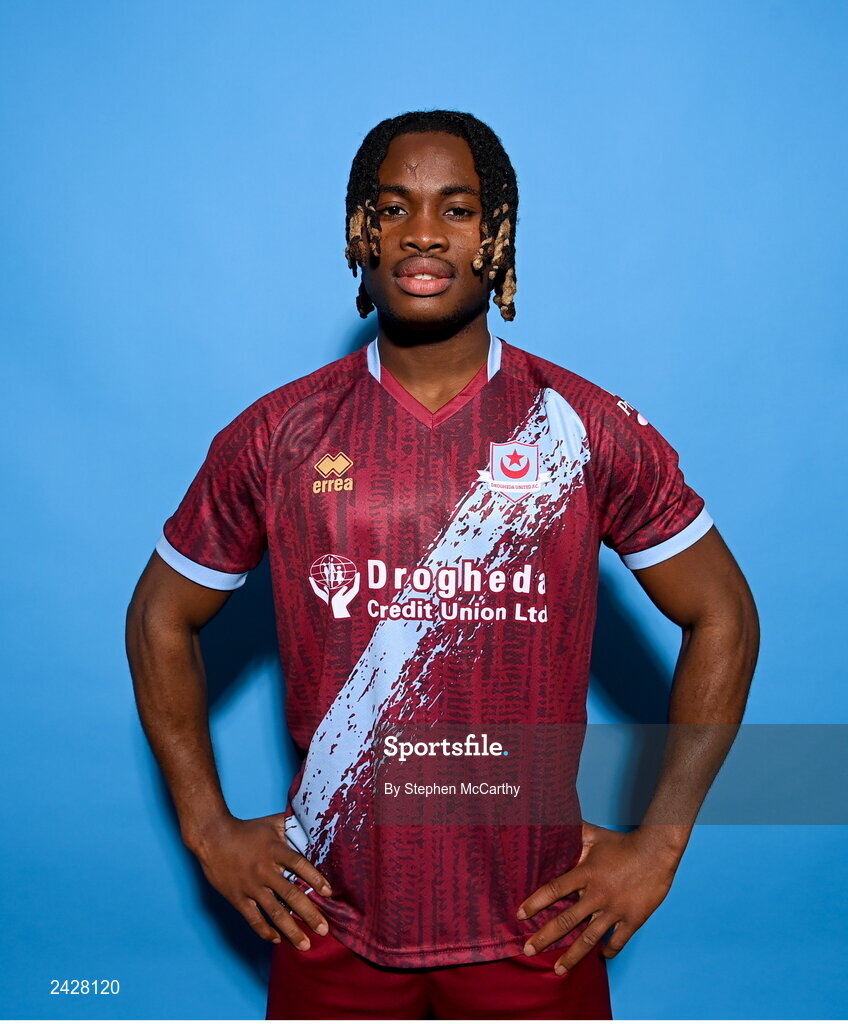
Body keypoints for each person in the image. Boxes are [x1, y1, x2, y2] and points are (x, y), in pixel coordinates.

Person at [125, 109, 759, 1020]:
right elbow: (159, 617)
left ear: (497, 234)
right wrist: (208, 829)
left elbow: (724, 616)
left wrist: (658, 844)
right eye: (393, 206)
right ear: (360, 231)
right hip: (330, 925)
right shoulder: (280, 433)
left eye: (457, 209)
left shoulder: (581, 427)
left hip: (535, 930)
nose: (422, 232)